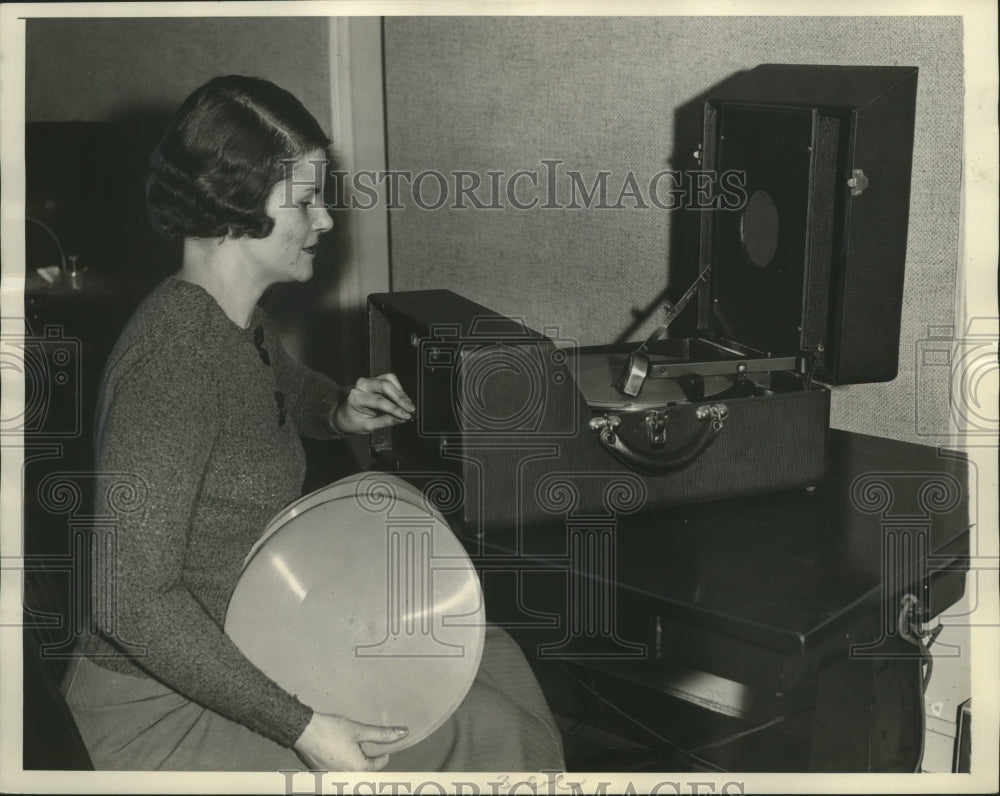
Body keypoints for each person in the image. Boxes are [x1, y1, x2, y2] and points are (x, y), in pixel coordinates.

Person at [62, 75, 565, 773]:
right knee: (477, 729)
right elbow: (127, 600)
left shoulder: (237, 323)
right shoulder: (169, 365)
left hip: (244, 643)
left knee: (494, 659)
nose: (325, 220)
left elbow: (284, 394)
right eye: (305, 200)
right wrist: (304, 727)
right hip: (155, 710)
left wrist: (338, 408)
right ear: (234, 203)